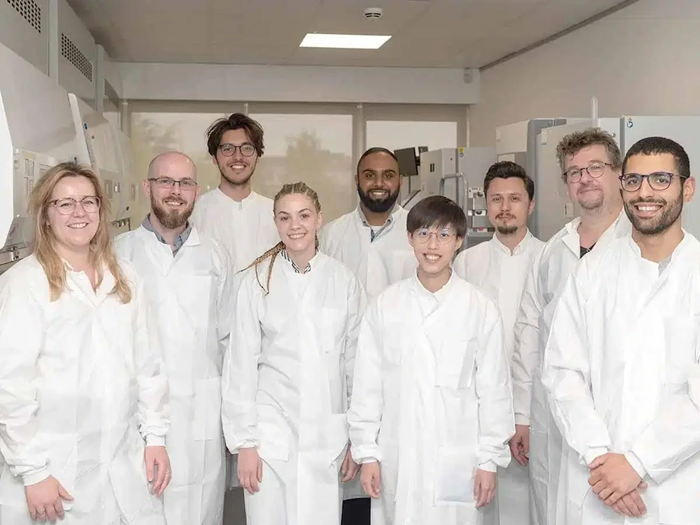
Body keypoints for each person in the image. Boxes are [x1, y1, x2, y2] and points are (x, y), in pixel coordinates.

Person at [0, 162, 171, 524]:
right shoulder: (24, 283)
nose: (79, 212)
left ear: (100, 209)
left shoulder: (124, 277)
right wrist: (33, 471)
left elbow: (149, 367)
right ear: (46, 216)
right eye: (64, 204)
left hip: (123, 462)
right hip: (54, 473)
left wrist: (155, 438)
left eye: (88, 202)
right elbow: (9, 387)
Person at [542, 136, 700, 524]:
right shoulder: (591, 273)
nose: (645, 193)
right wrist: (602, 460)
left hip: (677, 488)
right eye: (633, 181)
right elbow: (563, 372)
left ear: (688, 188)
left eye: (661, 179)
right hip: (598, 482)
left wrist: (638, 463)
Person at [348, 195, 515, 525]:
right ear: (410, 238)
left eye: (444, 234)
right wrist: (367, 453)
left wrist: (489, 461)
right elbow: (367, 387)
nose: (433, 245)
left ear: (459, 241)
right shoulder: (386, 306)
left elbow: (494, 391)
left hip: (459, 460)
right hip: (398, 457)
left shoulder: (480, 308)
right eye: (423, 233)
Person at [221, 182, 365, 525]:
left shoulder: (344, 281)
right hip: (269, 440)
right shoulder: (257, 281)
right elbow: (240, 365)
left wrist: (358, 440)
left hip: (326, 439)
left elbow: (356, 366)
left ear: (319, 219)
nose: (294, 225)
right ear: (275, 222)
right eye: (284, 217)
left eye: (304, 215)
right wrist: (245, 443)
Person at [510, 128, 631, 525]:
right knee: (554, 507)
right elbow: (530, 336)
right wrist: (522, 416)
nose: (585, 179)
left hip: (617, 420)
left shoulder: (640, 245)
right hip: (554, 417)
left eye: (595, 167)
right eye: (574, 172)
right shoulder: (552, 253)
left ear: (618, 173)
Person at [114, 152, 233, 525]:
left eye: (185, 183)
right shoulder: (118, 254)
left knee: (200, 509)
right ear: (147, 187)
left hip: (201, 412)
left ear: (196, 191)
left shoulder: (216, 255)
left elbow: (229, 340)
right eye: (165, 181)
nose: (175, 191)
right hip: (137, 417)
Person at [454, 161, 544, 525]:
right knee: (479, 507)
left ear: (530, 205)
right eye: (496, 199)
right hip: (477, 408)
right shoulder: (465, 263)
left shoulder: (549, 258)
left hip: (535, 409)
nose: (505, 207)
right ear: (486, 204)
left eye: (515, 199)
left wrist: (524, 415)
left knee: (527, 510)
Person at [320, 147, 415, 299]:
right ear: (357, 180)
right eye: (369, 175)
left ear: (400, 181)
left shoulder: (421, 233)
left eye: (388, 175)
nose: (379, 183)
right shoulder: (330, 235)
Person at [191, 112, 279, 272]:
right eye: (227, 149)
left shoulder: (277, 214)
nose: (238, 156)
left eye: (247, 148)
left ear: (258, 157)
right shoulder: (194, 214)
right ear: (214, 157)